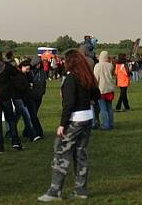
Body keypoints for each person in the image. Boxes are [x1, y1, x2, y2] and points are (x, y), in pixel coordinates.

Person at [38, 51, 100, 202]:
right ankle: (81, 190)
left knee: (61, 153)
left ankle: (55, 191)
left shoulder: (71, 78)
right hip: (87, 118)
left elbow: (69, 104)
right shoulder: (87, 76)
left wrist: (62, 124)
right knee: (81, 154)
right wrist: (88, 101)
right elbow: (96, 95)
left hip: (74, 120)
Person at [93, 51, 115, 130]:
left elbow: (96, 78)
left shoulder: (97, 66)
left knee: (103, 109)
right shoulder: (110, 65)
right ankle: (111, 123)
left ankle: (105, 125)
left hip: (101, 89)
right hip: (110, 89)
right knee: (109, 108)